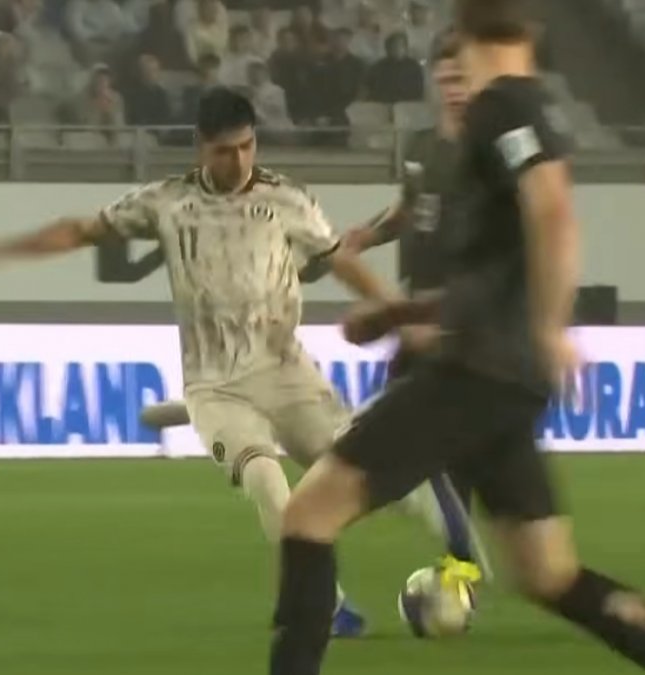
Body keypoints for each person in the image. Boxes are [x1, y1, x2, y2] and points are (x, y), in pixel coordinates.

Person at [269, 1, 645, 674]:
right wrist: (396, 317)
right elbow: (496, 270)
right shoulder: (523, 105)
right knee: (548, 572)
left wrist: (547, 326)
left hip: (471, 372)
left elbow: (555, 214)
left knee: (308, 514)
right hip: (503, 379)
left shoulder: (499, 108)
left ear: (463, 27)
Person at [0, 87, 400, 638]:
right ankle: (321, 606)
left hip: (284, 371)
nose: (240, 161)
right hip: (213, 387)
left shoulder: (288, 198)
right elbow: (81, 229)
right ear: (201, 147)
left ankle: (457, 556)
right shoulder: (167, 201)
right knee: (267, 479)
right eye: (226, 150)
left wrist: (395, 313)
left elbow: (338, 261)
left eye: (247, 147)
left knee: (367, 473)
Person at [138, 39, 487, 625]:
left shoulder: (496, 153)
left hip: (464, 317)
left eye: (463, 76)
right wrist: (364, 240)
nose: (454, 86)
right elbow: (409, 209)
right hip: (411, 320)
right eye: (446, 75)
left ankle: (461, 552)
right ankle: (418, 565)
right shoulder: (426, 149)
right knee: (387, 448)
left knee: (418, 447)